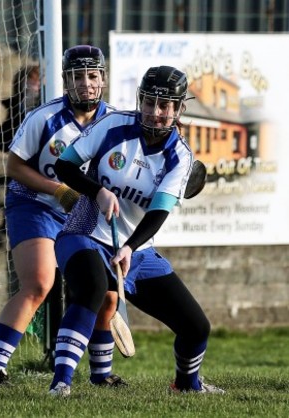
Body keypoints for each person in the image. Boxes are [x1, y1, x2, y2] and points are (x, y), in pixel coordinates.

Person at [48, 66, 224, 396]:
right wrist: (96, 191)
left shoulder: (179, 157)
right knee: (92, 289)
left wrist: (129, 247)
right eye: (150, 102)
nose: (156, 113)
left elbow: (159, 211)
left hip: (137, 250)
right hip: (84, 232)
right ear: (140, 99)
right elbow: (65, 165)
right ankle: (60, 383)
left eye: (165, 105)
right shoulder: (113, 125)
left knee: (196, 326)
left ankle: (186, 385)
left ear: (178, 109)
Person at [0, 45, 124, 388]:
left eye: (92, 75)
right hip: (35, 204)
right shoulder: (43, 117)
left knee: (106, 292)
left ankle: (101, 374)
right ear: (65, 80)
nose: (85, 83)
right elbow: (13, 167)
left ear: (103, 79)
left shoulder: (115, 123)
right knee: (40, 282)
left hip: (83, 214)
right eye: (76, 76)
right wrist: (58, 190)